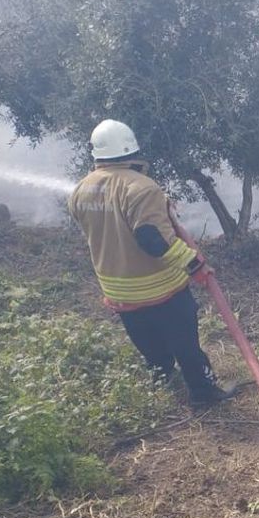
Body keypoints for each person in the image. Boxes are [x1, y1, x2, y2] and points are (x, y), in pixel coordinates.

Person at [67, 119, 233, 404]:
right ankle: (203, 393)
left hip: (119, 292)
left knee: (149, 344)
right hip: (160, 289)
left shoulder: (81, 189)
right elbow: (153, 240)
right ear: (131, 150)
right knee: (185, 344)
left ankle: (162, 382)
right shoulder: (142, 188)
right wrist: (195, 265)